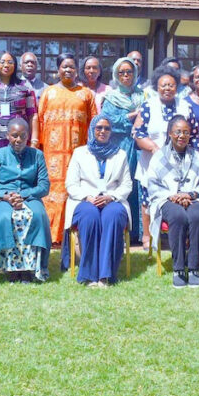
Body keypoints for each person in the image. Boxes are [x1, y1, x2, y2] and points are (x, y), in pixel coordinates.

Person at [37, 53, 98, 259]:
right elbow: (38, 120)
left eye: (71, 67)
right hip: (51, 155)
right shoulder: (49, 93)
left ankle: (72, 231)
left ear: (76, 70)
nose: (68, 70)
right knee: (52, 192)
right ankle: (52, 234)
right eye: (64, 66)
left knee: (75, 190)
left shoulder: (85, 94)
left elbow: (94, 124)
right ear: (58, 69)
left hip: (77, 154)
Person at [133, 66, 199, 249]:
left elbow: (193, 134)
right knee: (148, 200)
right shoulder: (148, 105)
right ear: (157, 87)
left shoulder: (185, 106)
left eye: (171, 85)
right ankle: (147, 237)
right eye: (163, 85)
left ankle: (180, 237)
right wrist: (156, 150)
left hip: (181, 163)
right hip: (152, 162)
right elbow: (138, 133)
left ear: (177, 86)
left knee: (180, 197)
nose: (167, 88)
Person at [0, 118, 52, 284]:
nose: (18, 140)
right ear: (7, 136)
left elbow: (44, 186)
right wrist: (5, 196)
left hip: (29, 197)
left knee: (37, 216)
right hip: (1, 200)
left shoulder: (37, 155)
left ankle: (29, 268)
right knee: (6, 217)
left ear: (28, 136)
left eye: (22, 136)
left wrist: (24, 195)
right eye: (14, 136)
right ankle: (8, 267)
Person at [147, 116, 199, 288]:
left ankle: (193, 268)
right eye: (178, 131)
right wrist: (173, 196)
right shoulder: (159, 157)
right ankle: (178, 268)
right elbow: (152, 184)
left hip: (194, 198)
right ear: (170, 133)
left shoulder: (198, 157)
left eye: (186, 132)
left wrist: (190, 194)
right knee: (177, 216)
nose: (182, 136)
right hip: (167, 199)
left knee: (198, 216)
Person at [65, 115, 132, 286]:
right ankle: (89, 274)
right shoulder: (80, 153)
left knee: (113, 216)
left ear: (111, 132)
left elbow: (126, 185)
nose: (103, 131)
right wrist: (87, 197)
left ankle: (106, 275)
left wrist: (111, 197)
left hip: (112, 200)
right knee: (90, 217)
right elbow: (71, 184)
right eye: (99, 128)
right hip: (85, 200)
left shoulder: (120, 154)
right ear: (92, 129)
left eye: (107, 128)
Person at [0, 51, 39, 233]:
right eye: (2, 62)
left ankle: (18, 222)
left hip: (18, 142)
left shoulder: (24, 86)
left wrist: (34, 139)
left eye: (10, 62)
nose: (6, 65)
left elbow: (32, 114)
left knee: (17, 178)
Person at [100, 56, 145, 243]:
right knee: (120, 185)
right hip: (120, 147)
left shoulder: (143, 95)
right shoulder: (110, 98)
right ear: (116, 75)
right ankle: (118, 231)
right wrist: (133, 115)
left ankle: (138, 234)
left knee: (138, 187)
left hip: (140, 147)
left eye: (129, 72)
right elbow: (108, 122)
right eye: (122, 72)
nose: (126, 75)